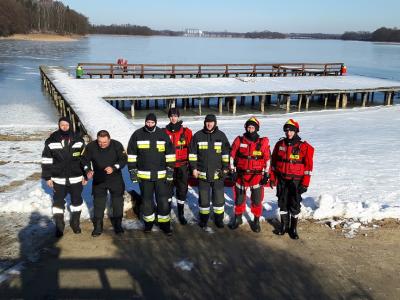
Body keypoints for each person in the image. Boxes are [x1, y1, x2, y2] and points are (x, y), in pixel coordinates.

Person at [127, 113, 176, 235]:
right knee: (147, 201)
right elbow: (132, 155)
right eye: (147, 122)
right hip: (144, 177)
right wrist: (133, 171)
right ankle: (148, 224)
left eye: (152, 123)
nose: (149, 125)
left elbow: (170, 154)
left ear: (156, 122)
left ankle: (164, 225)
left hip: (161, 176)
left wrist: (170, 171)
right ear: (145, 122)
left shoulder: (162, 134)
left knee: (163, 201)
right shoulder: (137, 135)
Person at [41, 117, 86, 237]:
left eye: (66, 124)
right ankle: (59, 225)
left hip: (75, 177)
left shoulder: (79, 140)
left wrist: (85, 175)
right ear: (59, 125)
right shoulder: (51, 141)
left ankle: (75, 223)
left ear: (70, 125)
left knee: (77, 201)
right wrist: (47, 177)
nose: (64, 126)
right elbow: (46, 160)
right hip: (58, 178)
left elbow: (84, 160)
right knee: (58, 203)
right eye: (62, 125)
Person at [270, 119, 314, 239]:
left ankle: (293, 229)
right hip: (282, 180)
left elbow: (308, 168)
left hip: (296, 181)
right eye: (287, 130)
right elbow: (273, 163)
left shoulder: (304, 147)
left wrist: (305, 183)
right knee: (282, 203)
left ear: (296, 131)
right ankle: (284, 226)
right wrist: (273, 178)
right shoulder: (280, 145)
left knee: (294, 205)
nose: (289, 133)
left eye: (291, 130)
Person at [82, 130, 127, 237]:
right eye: (100, 142)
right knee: (98, 203)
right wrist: (87, 170)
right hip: (99, 179)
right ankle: (98, 226)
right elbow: (84, 160)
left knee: (117, 202)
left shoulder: (117, 145)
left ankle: (118, 224)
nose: (102, 144)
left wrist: (114, 167)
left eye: (105, 142)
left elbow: (123, 160)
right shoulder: (91, 146)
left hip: (115, 178)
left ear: (109, 139)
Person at [229, 117, 271, 233]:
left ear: (256, 129)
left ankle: (256, 221)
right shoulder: (239, 140)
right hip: (241, 176)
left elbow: (268, 160)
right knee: (239, 199)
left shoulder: (262, 143)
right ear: (246, 128)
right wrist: (232, 171)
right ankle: (238, 219)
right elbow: (231, 156)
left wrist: (267, 175)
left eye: (252, 127)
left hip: (256, 177)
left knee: (257, 200)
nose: (250, 129)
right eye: (248, 127)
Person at [189, 114, 230, 229]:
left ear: (215, 123)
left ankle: (218, 219)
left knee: (219, 200)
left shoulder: (221, 136)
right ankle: (204, 219)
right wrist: (193, 168)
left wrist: (226, 168)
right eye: (207, 122)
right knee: (204, 200)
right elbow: (192, 154)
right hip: (202, 174)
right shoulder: (198, 136)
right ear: (204, 123)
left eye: (211, 122)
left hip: (218, 174)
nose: (209, 124)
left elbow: (226, 153)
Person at [164, 107, 193, 225]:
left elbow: (192, 150)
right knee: (168, 190)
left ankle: (180, 213)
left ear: (178, 117)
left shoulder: (186, 132)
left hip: (182, 166)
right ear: (169, 117)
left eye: (175, 116)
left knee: (182, 190)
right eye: (171, 116)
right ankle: (168, 211)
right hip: (169, 166)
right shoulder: (164, 132)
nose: (173, 118)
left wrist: (192, 166)